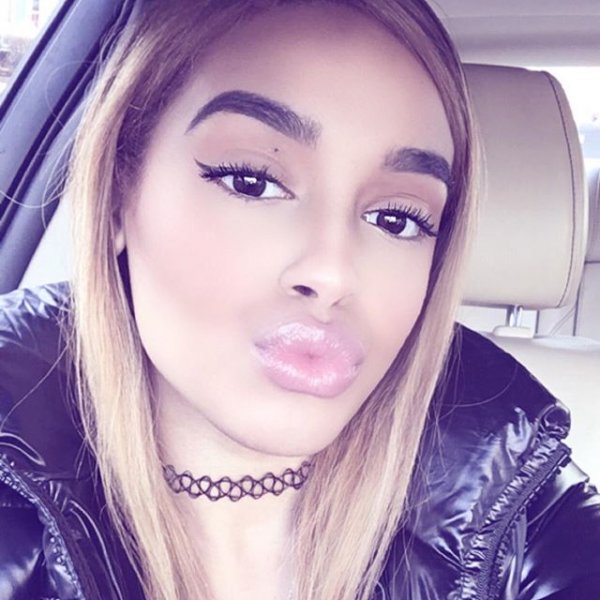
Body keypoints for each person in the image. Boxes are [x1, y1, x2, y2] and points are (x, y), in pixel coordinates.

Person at [0, 0, 599, 598]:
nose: (333, 274)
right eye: (251, 181)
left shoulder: (524, 513)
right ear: (116, 197)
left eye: (396, 219)